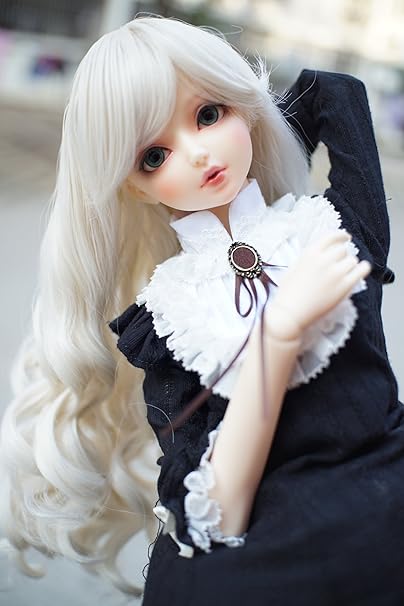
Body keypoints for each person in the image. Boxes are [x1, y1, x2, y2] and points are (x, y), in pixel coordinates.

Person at [0, 14, 401, 605]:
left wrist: (263, 121)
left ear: (246, 107)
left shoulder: (326, 224)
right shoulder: (168, 317)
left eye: (209, 114)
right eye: (154, 155)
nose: (196, 154)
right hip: (280, 549)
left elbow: (335, 93)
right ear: (134, 186)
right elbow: (217, 507)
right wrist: (277, 335)